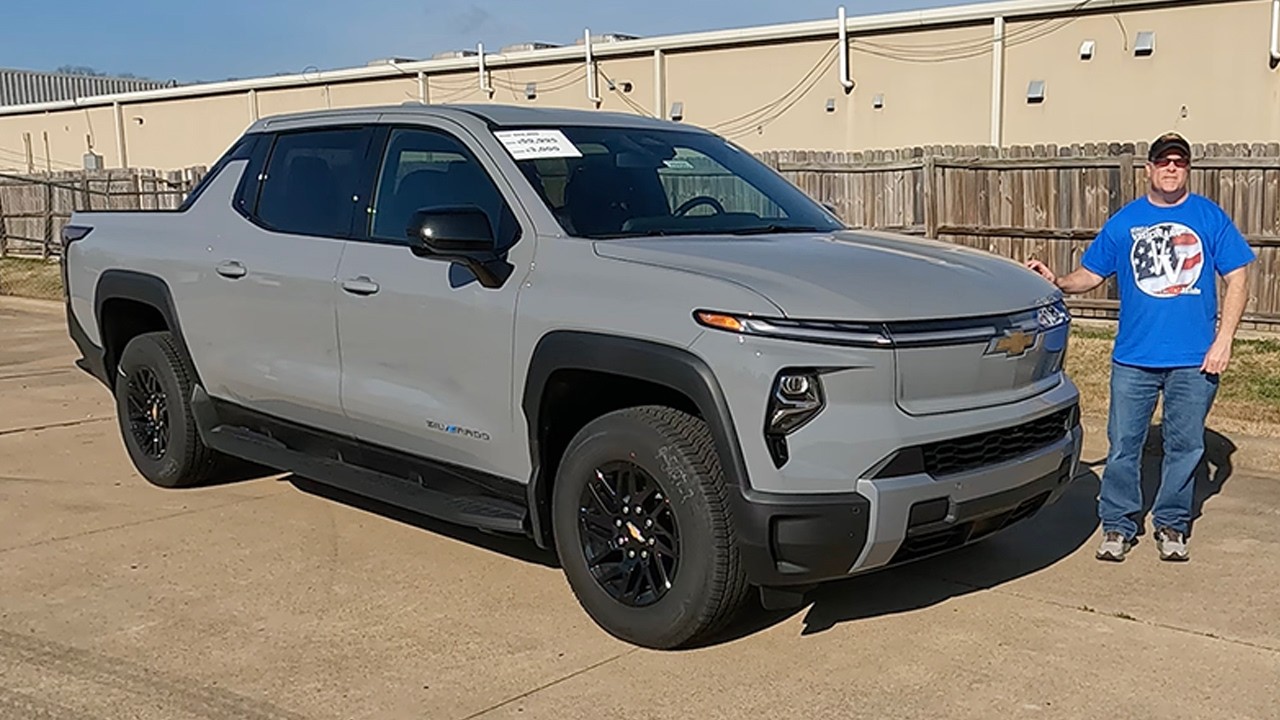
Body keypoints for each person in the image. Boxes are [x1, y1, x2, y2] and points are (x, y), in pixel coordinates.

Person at [1025, 132, 1255, 563]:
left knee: (1185, 446)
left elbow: (1238, 277)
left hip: (1195, 360)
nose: (1171, 169)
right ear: (1148, 169)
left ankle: (1171, 523)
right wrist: (1057, 282)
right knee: (1124, 444)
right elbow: (1089, 276)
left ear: (1188, 169)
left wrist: (1224, 340)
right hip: (1134, 359)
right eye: (1163, 162)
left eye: (1179, 163)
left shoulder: (1209, 217)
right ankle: (1118, 525)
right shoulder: (1125, 222)